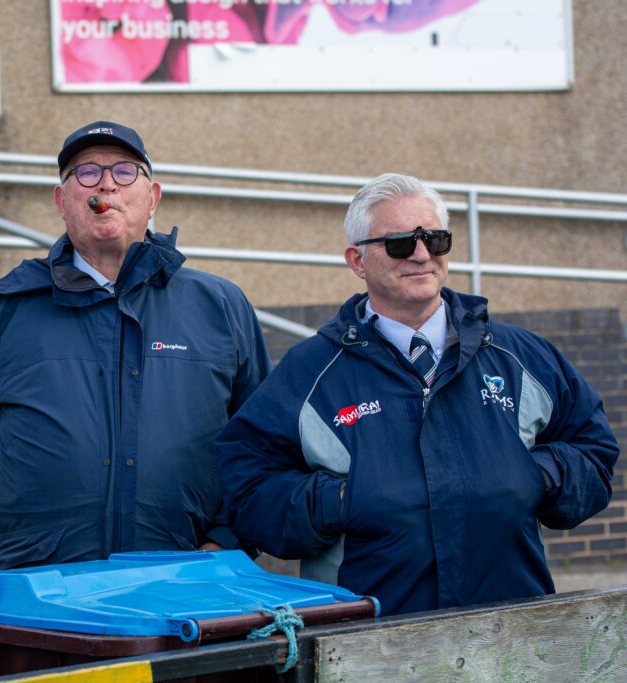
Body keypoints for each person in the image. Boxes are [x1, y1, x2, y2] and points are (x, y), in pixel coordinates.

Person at [217, 173, 621, 616]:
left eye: (435, 239)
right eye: (400, 243)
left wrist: (535, 475)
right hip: (365, 638)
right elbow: (247, 486)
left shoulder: (520, 355)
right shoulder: (311, 371)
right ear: (357, 260)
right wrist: (337, 502)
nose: (422, 254)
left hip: (514, 631)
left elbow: (593, 448)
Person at [0, 120, 271, 572]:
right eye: (87, 172)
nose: (106, 184)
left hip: (183, 587)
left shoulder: (221, 306)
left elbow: (263, 447)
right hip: (37, 591)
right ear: (62, 201)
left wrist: (226, 543)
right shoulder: (0, 310)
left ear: (152, 199)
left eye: (125, 171)